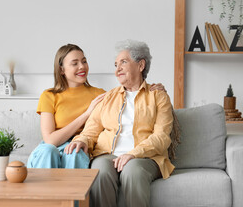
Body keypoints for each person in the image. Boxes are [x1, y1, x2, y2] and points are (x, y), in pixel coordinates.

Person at [65, 39, 175, 207]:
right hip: (107, 154)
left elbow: (162, 137)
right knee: (100, 172)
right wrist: (81, 140)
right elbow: (91, 130)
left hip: (144, 157)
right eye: (116, 65)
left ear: (141, 65)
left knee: (132, 171)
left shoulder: (158, 96)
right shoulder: (108, 97)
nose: (118, 69)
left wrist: (133, 154)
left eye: (123, 62)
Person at [27, 43, 166, 169]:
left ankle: (73, 197)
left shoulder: (101, 95)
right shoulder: (49, 95)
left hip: (81, 146)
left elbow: (128, 99)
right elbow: (50, 140)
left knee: (75, 153)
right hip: (53, 147)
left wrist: (152, 89)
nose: (82, 66)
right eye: (74, 63)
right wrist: (86, 114)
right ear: (62, 70)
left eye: (84, 61)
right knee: (48, 151)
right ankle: (43, 196)